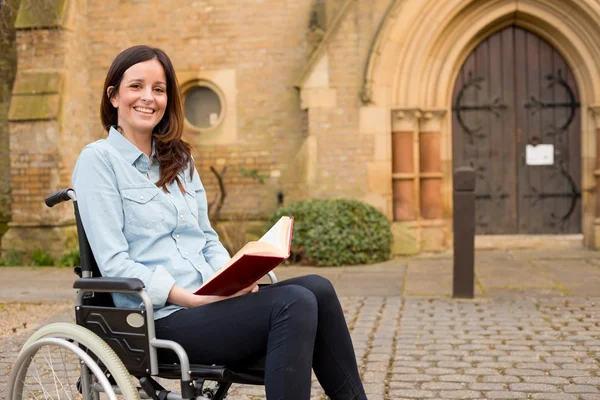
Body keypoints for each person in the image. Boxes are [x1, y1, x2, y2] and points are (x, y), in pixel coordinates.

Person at [72, 45, 368, 400]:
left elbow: (206, 238)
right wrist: (191, 299)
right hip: (160, 318)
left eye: (159, 89)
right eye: (136, 86)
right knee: (294, 302)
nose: (148, 98)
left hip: (211, 303)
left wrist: (234, 277)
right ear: (114, 95)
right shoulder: (98, 161)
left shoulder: (179, 160)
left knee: (318, 287)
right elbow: (115, 263)